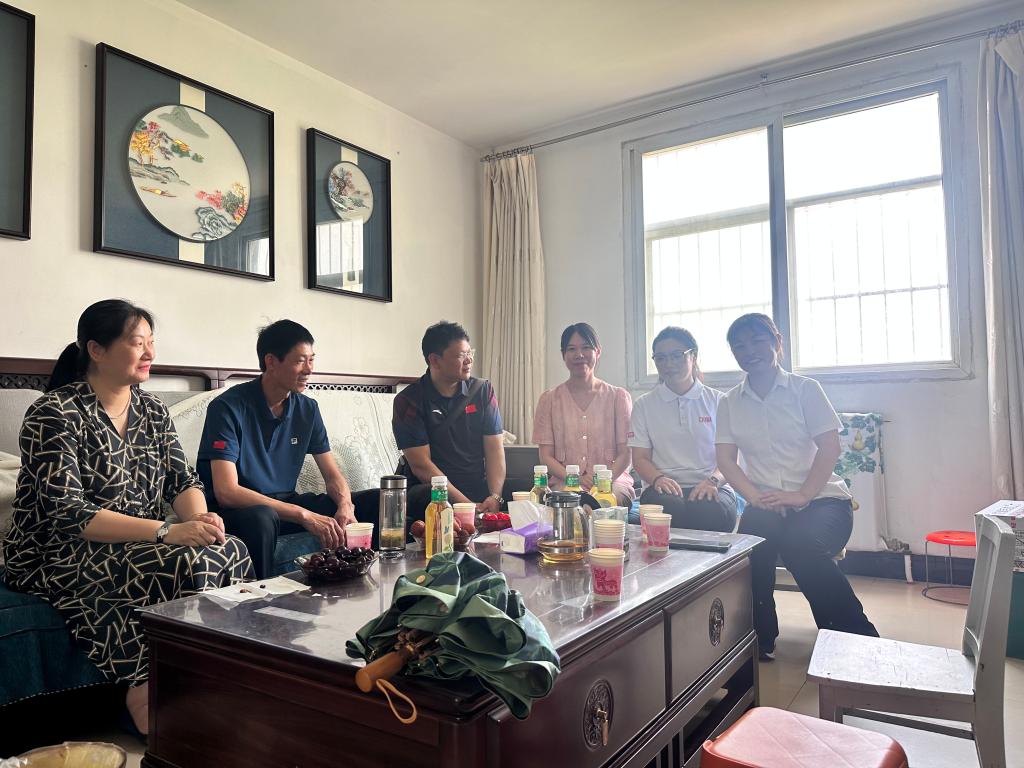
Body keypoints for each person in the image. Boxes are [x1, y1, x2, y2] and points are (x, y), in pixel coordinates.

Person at [1, 299, 253, 736]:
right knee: (181, 562)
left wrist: (201, 520)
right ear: (96, 349)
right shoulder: (53, 413)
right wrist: (168, 532)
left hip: (138, 539)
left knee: (228, 549)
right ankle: (145, 688)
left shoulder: (151, 411)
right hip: (57, 550)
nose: (150, 352)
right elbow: (69, 513)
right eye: (138, 343)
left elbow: (181, 481)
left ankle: (212, 675)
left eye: (152, 342)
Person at [715, 313, 878, 661]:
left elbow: (829, 447)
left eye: (758, 341)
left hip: (823, 501)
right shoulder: (729, 402)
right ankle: (758, 639)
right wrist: (755, 497)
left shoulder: (806, 390)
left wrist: (802, 495)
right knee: (750, 549)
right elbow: (726, 460)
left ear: (777, 342)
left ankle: (855, 639)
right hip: (767, 501)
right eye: (739, 346)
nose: (749, 351)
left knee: (801, 545)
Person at [196, 320, 376, 579]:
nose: (309, 369)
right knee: (262, 517)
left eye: (311, 360)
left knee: (373, 501)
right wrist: (304, 515)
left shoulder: (307, 409)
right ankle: (260, 597)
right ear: (271, 361)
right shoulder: (227, 408)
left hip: (285, 505)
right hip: (240, 512)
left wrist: (346, 506)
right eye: (300, 361)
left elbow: (332, 475)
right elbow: (227, 492)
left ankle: (367, 583)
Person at [392, 321, 506, 520]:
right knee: (429, 498)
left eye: (470, 353)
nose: (469, 360)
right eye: (461, 355)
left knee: (522, 492)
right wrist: (465, 505)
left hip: (476, 488)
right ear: (435, 360)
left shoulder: (482, 391)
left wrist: (495, 496)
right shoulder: (409, 401)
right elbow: (421, 465)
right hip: (434, 493)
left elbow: (495, 449)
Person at [629, 327, 736, 532]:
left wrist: (713, 481)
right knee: (668, 508)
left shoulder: (719, 402)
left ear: (693, 356)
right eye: (661, 358)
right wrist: (658, 479)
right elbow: (640, 459)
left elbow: (730, 458)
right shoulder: (644, 405)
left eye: (677, 355)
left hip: (713, 483)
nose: (669, 364)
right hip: (660, 486)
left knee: (708, 509)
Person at [533, 323, 634, 504]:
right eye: (572, 349)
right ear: (563, 355)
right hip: (564, 481)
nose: (579, 355)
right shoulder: (549, 400)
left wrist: (602, 481)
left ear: (598, 351)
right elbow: (545, 456)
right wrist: (575, 479)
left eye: (586, 347)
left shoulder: (618, 397)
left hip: (612, 481)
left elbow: (625, 453)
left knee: (607, 501)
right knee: (565, 502)